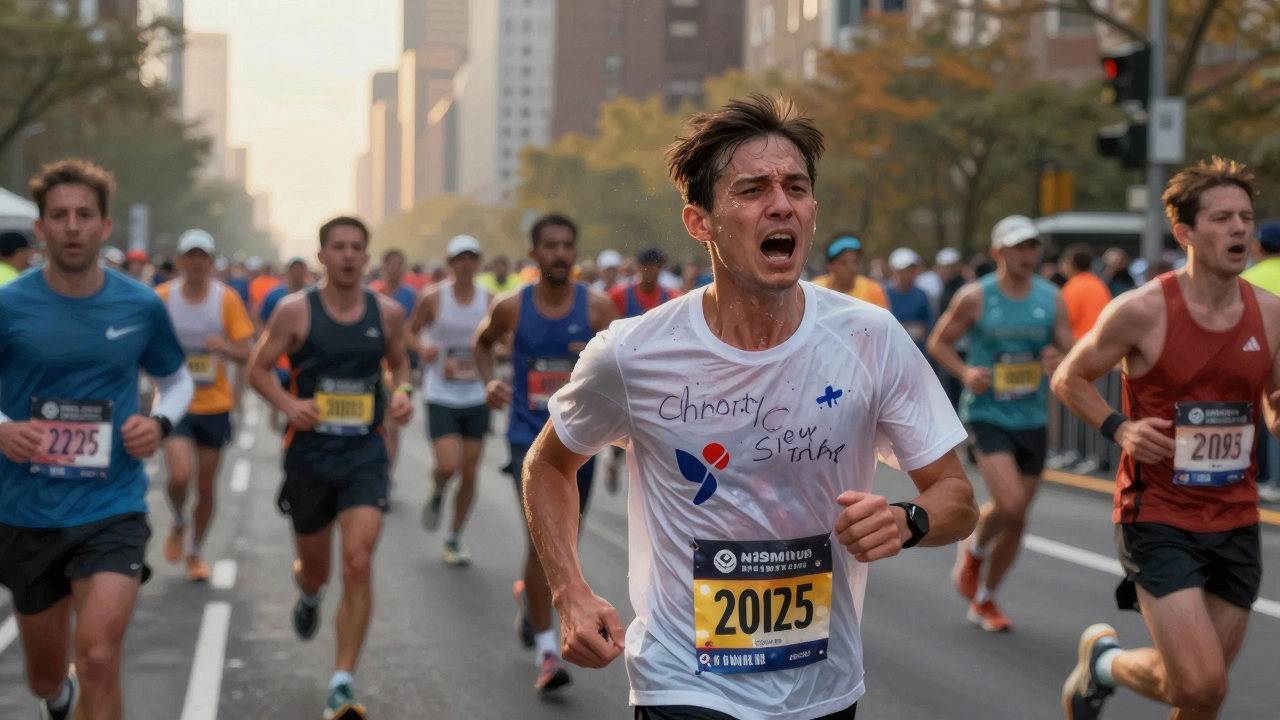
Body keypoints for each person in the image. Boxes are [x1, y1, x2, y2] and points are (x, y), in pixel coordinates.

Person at [521, 95, 979, 720]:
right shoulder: (633, 353)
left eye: (796, 186)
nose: (781, 203)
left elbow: (956, 497)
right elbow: (548, 465)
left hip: (822, 688)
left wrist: (909, 521)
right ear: (700, 221)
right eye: (752, 189)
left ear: (812, 210)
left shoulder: (870, 338)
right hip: (682, 684)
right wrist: (568, 588)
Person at [1051, 157, 1280, 720]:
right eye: (1223, 218)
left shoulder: (1271, 314)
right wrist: (1120, 427)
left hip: (1235, 516)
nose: (1239, 230)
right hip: (1158, 516)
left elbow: (1274, 406)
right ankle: (1105, 664)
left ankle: (1103, 664)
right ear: (1185, 233)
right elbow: (1068, 378)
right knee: (1200, 684)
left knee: (1203, 693)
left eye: (1246, 217)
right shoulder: (1142, 310)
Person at [0, 159, 194, 720]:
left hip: (110, 505)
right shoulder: (10, 305)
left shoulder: (139, 305)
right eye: (59, 215)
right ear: (41, 228)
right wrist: (4, 429)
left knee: (101, 658)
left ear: (105, 227)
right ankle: (56, 699)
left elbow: (176, 381)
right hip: (25, 509)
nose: (72, 226)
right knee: (44, 674)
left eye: (85, 215)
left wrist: (158, 424)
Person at [246, 216, 414, 720]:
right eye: (337, 247)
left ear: (367, 256)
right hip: (309, 455)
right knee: (317, 568)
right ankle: (309, 592)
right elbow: (257, 369)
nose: (347, 255)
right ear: (321, 256)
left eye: (356, 248)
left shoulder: (386, 313)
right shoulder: (294, 312)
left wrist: (402, 393)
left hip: (365, 452)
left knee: (358, 562)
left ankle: (342, 681)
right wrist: (288, 404)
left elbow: (400, 364)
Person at [472, 213, 619, 693]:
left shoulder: (597, 310)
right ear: (534, 254)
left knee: (562, 544)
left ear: (576, 253)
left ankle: (529, 604)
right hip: (526, 440)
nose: (560, 254)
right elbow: (482, 343)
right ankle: (548, 652)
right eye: (550, 246)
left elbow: (622, 374)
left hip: (580, 443)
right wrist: (489, 380)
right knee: (544, 542)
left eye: (567, 245)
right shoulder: (511, 307)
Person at [927, 214, 1076, 632]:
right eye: (1018, 246)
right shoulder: (976, 297)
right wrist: (964, 372)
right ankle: (974, 549)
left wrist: (1060, 360)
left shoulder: (1051, 298)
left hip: (1032, 416)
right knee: (1009, 504)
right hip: (987, 413)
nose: (1027, 254)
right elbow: (939, 342)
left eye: (1033, 246)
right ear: (998, 252)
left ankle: (986, 599)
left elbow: (1077, 351)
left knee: (1019, 517)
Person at [155, 229, 253, 582]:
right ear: (180, 260)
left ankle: (196, 551)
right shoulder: (162, 298)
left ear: (211, 262)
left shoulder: (225, 300)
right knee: (180, 476)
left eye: (203, 257)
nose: (196, 263)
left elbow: (247, 352)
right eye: (190, 256)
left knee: (207, 485)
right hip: (173, 402)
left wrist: (225, 349)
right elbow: (142, 343)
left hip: (215, 404)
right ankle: (179, 518)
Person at [408, 235, 491, 566]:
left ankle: (454, 538)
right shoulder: (433, 299)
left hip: (475, 393)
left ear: (478, 262)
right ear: (451, 263)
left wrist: (496, 350)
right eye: (460, 258)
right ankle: (438, 489)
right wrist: (422, 348)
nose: (466, 264)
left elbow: (502, 340)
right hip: (441, 391)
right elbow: (408, 331)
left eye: (472, 258)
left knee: (469, 472)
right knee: (448, 465)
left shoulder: (490, 300)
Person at [601, 246, 681, 493]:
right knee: (621, 424)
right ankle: (614, 459)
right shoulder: (619, 295)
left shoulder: (672, 298)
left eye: (655, 267)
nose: (650, 272)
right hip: (626, 374)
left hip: (659, 376)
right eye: (646, 266)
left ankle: (652, 478)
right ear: (637, 267)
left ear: (660, 269)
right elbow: (606, 333)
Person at [370, 248, 420, 472]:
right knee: (376, 423)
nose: (396, 268)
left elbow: (414, 331)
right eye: (392, 264)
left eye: (400, 264)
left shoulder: (411, 295)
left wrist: (418, 358)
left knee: (393, 424)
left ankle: (386, 475)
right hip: (373, 366)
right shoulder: (372, 293)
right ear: (384, 267)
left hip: (399, 365)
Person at [810, 234, 889, 308]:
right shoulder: (816, 289)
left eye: (855, 262)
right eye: (843, 263)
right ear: (830, 266)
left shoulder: (873, 290)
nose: (851, 268)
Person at [1058, 244, 1113, 342]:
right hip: (1101, 343)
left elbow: (1063, 320)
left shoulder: (1072, 287)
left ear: (1072, 264)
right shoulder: (1100, 285)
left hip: (1079, 345)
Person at [884, 248, 934, 352]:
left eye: (912, 269)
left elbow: (928, 326)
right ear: (895, 270)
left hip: (917, 351)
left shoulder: (922, 295)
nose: (910, 273)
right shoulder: (883, 294)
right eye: (906, 270)